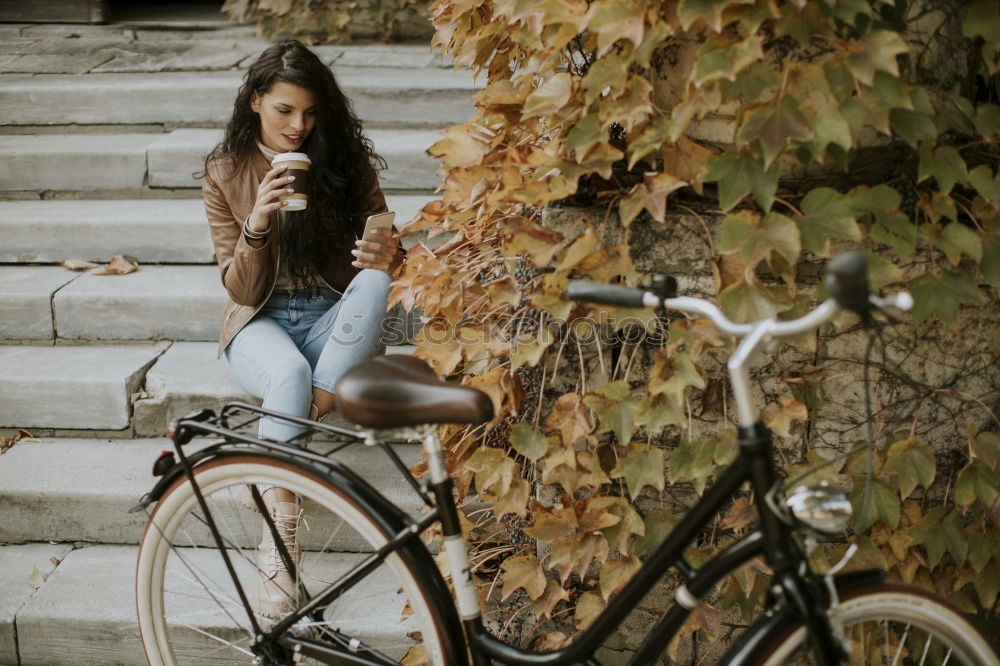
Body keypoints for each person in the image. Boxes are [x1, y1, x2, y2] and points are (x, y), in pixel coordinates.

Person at [199, 40, 404, 618]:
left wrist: (385, 251)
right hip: (258, 323)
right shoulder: (224, 173)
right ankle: (278, 547)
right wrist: (258, 221)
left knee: (376, 285)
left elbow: (390, 264)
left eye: (310, 113)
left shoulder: (343, 163)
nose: (299, 125)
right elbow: (238, 290)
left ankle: (269, 456)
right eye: (285, 110)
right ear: (256, 101)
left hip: (330, 317)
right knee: (286, 371)